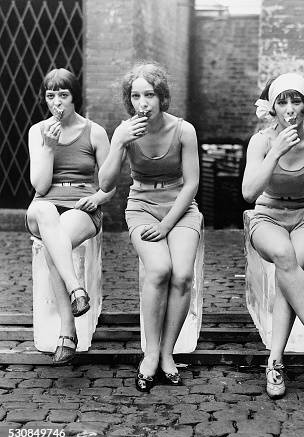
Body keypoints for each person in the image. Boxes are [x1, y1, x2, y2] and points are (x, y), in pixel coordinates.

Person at [99, 62, 201, 392]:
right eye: (136, 96)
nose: (143, 102)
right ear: (130, 101)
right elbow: (105, 183)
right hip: (141, 205)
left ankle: (168, 353)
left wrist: (168, 223)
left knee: (182, 275)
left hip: (181, 209)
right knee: (159, 270)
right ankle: (151, 353)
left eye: (150, 95)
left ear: (161, 97)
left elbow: (191, 185)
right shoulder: (124, 131)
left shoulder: (184, 130)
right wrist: (118, 143)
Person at [243, 73, 304, 399]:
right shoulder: (260, 141)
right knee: (287, 260)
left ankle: (274, 363)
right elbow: (248, 192)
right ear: (272, 107)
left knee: (290, 274)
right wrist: (274, 152)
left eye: (296, 100)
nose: (290, 108)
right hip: (267, 215)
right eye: (282, 101)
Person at [26, 68, 115, 364]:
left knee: (55, 245)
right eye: (50, 96)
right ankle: (77, 289)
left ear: (75, 98)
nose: (57, 103)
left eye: (63, 95)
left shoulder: (96, 132)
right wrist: (49, 148)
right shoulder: (38, 132)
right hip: (44, 205)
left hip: (80, 205)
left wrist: (98, 197)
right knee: (46, 210)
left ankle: (68, 331)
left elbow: (109, 186)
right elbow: (39, 186)